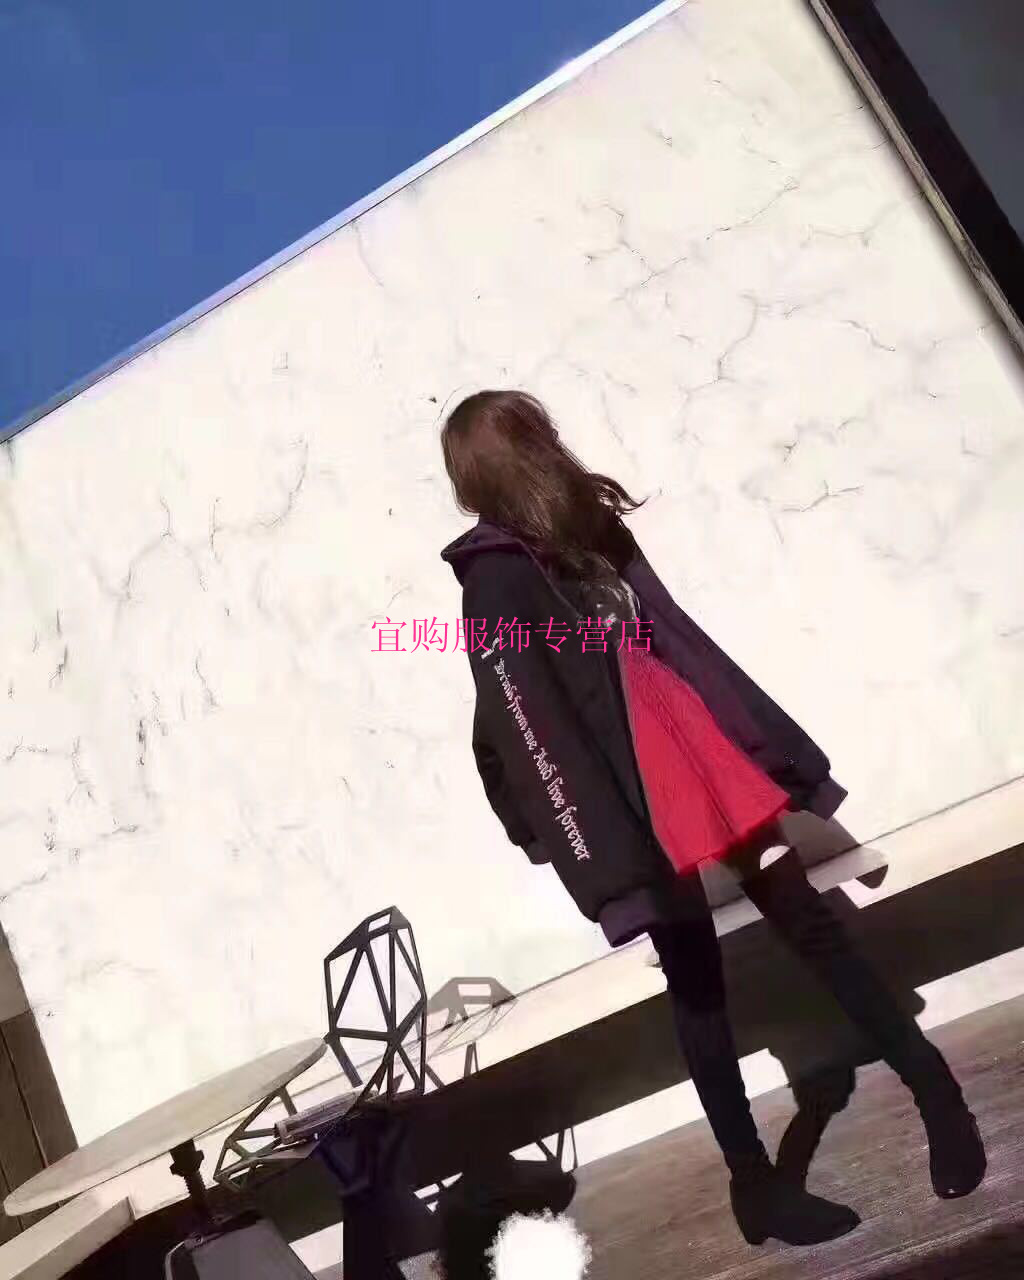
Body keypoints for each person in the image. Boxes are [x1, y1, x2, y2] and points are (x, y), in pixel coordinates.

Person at [439, 390, 986, 1248]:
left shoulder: (584, 529)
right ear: (513, 455)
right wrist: (552, 828)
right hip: (629, 792)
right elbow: (508, 713)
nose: (553, 444)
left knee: (814, 927)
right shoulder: (494, 579)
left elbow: (667, 632)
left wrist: (753, 735)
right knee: (695, 981)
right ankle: (754, 1185)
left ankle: (939, 1098)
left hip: (696, 746)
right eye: (537, 435)